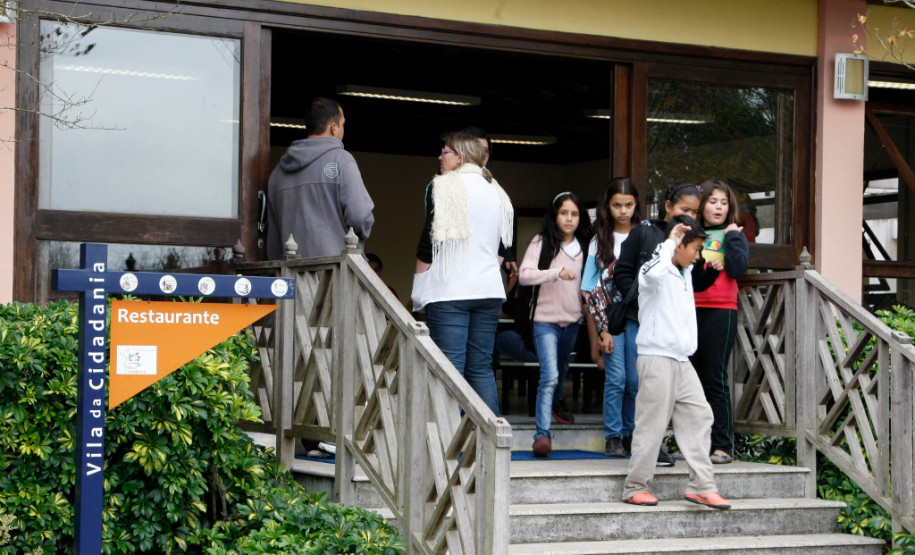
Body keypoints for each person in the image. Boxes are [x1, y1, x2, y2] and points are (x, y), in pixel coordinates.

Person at [621, 215, 731, 511]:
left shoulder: (686, 272)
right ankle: (635, 487)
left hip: (681, 359)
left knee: (700, 415)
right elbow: (651, 275)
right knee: (651, 424)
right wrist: (669, 242)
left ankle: (702, 487)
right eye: (694, 248)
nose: (697, 255)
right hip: (656, 357)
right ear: (678, 245)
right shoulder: (656, 267)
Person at [411, 131, 514, 416]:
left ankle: (450, 449)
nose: (440, 156)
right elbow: (504, 245)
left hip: (451, 290)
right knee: (480, 368)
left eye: (444, 151)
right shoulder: (497, 190)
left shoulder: (442, 186)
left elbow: (428, 242)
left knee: (450, 370)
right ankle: (490, 449)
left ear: (460, 155)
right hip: (489, 291)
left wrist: (418, 290)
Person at [613, 182, 703, 467]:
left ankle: (658, 447)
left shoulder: (691, 244)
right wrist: (644, 301)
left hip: (672, 335)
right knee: (636, 384)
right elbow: (625, 272)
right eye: (684, 209)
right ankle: (632, 441)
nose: (690, 216)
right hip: (639, 319)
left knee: (668, 395)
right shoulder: (646, 233)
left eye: (695, 211)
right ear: (668, 207)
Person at [677, 180, 749, 465]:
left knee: (715, 380)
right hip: (689, 311)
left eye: (724, 202)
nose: (718, 207)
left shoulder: (735, 234)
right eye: (712, 201)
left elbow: (738, 268)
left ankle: (721, 445)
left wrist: (732, 237)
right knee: (688, 382)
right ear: (701, 205)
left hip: (722, 311)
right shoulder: (690, 234)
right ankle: (689, 444)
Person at [519, 192, 593, 458]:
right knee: (549, 376)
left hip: (572, 322)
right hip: (544, 322)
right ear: (555, 215)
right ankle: (542, 436)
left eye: (574, 214)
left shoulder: (585, 246)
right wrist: (555, 274)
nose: (569, 219)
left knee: (560, 373)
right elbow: (525, 276)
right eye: (564, 213)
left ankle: (556, 403)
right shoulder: (542, 242)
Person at [266, 97, 374, 259]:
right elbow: (359, 216)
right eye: (343, 124)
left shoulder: (277, 173)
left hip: (293, 277)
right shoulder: (341, 160)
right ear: (333, 127)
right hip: (335, 274)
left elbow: (273, 238)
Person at [580, 178, 642, 458]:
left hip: (639, 317)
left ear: (636, 205)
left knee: (635, 381)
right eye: (617, 205)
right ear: (608, 206)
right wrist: (602, 330)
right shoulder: (599, 239)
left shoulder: (643, 235)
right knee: (616, 378)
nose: (623, 211)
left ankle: (631, 434)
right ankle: (613, 435)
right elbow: (590, 289)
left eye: (629, 205)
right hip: (611, 318)